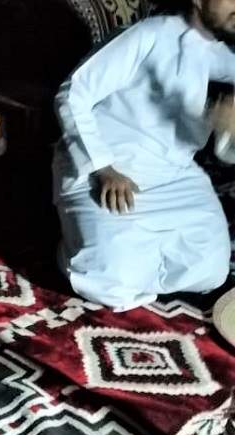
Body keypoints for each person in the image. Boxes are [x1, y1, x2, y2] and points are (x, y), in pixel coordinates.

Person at [53, 0, 235, 311]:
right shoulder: (148, 35)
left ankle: (127, 248)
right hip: (110, 167)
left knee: (212, 270)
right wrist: (103, 167)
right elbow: (72, 93)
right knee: (110, 282)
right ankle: (77, 247)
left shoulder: (224, 58)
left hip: (176, 174)